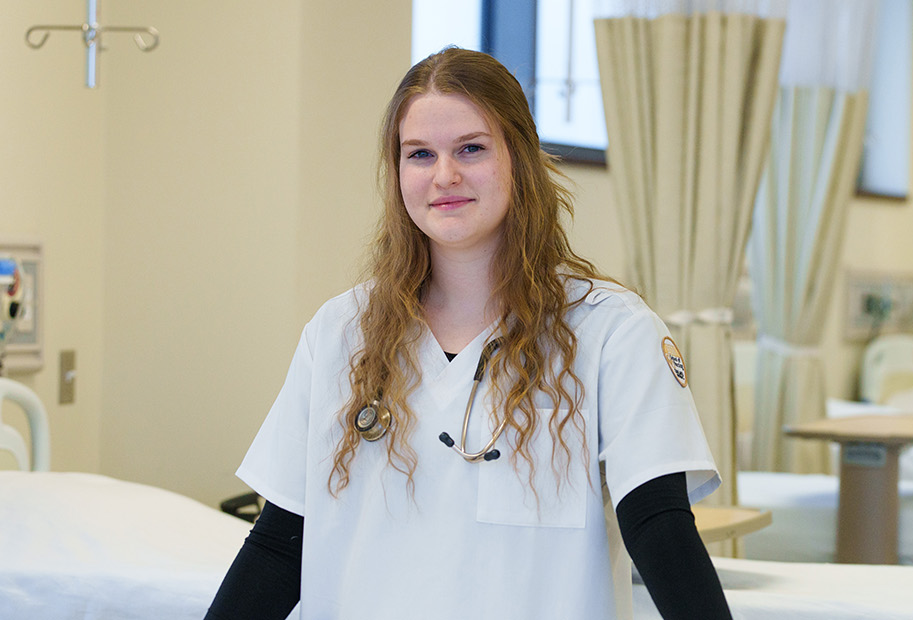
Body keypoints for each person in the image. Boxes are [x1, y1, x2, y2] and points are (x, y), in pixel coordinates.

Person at [206, 48, 731, 619]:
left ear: (520, 160)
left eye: (471, 149)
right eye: (419, 154)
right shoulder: (341, 332)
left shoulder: (611, 331)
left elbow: (660, 528)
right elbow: (281, 545)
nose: (444, 175)